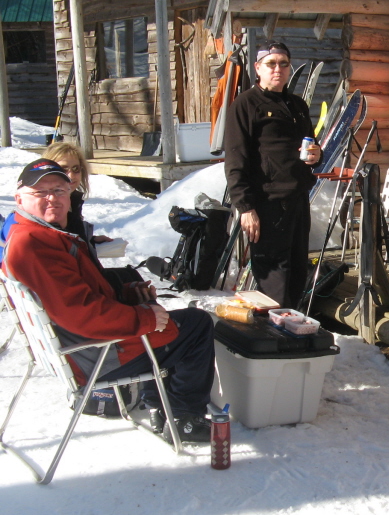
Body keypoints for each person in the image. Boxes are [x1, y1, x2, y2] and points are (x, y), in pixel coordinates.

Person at [3, 159, 216, 443]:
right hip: (94, 355)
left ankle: (158, 406)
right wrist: (144, 319)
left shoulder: (40, 233)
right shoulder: (33, 244)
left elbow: (81, 293)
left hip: (78, 348)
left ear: (70, 194)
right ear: (20, 197)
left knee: (161, 314)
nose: (52, 198)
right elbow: (82, 313)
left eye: (59, 190)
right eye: (40, 193)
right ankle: (184, 418)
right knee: (196, 324)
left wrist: (127, 295)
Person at [224, 40, 321, 308]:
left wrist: (317, 155)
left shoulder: (297, 105)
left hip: (298, 198)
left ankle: (292, 328)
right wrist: (245, 207)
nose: (277, 69)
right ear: (258, 68)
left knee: (297, 271)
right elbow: (235, 159)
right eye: (271, 64)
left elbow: (309, 144)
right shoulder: (245, 105)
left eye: (283, 63)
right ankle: (274, 335)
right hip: (267, 203)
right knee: (274, 277)